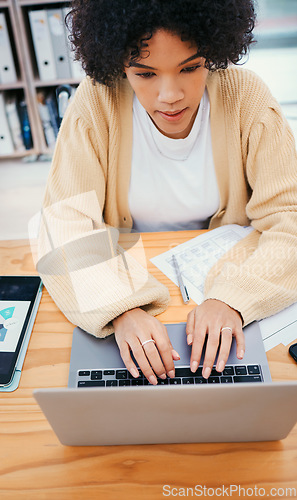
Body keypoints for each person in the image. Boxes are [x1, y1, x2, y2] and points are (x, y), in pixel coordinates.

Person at [37, 0, 297, 386]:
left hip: (221, 298)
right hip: (134, 295)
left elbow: (289, 219)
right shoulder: (96, 101)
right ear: (119, 64)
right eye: (145, 74)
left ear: (214, 51)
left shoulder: (247, 98)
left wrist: (232, 299)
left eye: (190, 68)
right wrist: (121, 310)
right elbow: (63, 227)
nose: (169, 95)